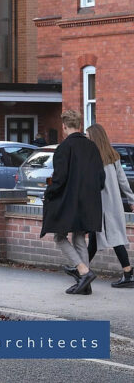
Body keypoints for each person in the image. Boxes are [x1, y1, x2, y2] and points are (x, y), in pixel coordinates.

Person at [40, 109, 104, 295]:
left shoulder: (64, 148)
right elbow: (101, 179)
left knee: (59, 237)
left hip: (69, 202)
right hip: (89, 201)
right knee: (78, 237)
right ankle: (86, 285)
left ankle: (83, 271)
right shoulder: (92, 147)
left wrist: (49, 193)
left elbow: (59, 179)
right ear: (80, 125)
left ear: (64, 126)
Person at [85, 123, 134, 288]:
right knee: (95, 238)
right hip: (112, 205)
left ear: (95, 138)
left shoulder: (94, 159)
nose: (86, 140)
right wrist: (131, 199)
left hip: (101, 206)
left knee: (114, 238)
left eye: (88, 137)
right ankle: (81, 270)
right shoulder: (114, 156)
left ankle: (128, 273)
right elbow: (123, 181)